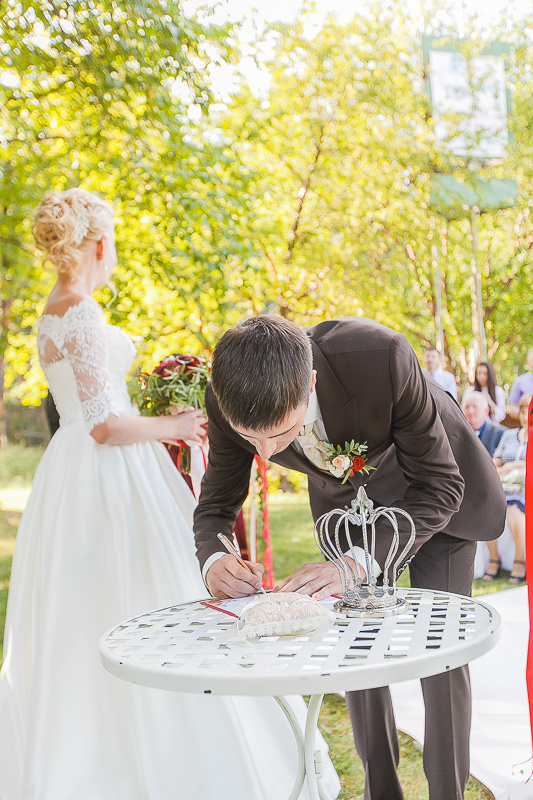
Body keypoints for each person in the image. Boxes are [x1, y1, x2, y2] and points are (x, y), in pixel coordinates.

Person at [0, 190, 340, 800]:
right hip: (106, 469)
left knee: (86, 602)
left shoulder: (49, 312)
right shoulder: (80, 312)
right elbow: (103, 423)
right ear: (98, 244)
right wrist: (177, 426)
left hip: (67, 476)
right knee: (146, 589)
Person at [194, 315, 506, 800]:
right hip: (346, 507)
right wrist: (216, 560)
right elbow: (215, 507)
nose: (265, 452)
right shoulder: (227, 395)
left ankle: (448, 791)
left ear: (310, 383)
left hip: (433, 490)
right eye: (250, 438)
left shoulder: (381, 356)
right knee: (354, 647)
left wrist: (356, 564)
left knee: (438, 651)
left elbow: (441, 484)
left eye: (280, 435)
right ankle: (381, 789)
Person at [484, 393, 531, 585]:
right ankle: (494, 559)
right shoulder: (509, 435)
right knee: (486, 508)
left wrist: (514, 466)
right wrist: (501, 466)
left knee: (512, 508)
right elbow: (496, 460)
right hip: (504, 485)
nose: (525, 416)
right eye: (522, 411)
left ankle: (519, 561)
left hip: (524, 490)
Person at [462, 391, 505, 457]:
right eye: (467, 407)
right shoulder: (457, 433)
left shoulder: (500, 434)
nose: (470, 411)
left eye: (475, 407)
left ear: (486, 410)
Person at [508, 348, 533, 419]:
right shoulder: (520, 382)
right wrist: (526, 415)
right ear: (527, 361)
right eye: (532, 360)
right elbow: (512, 409)